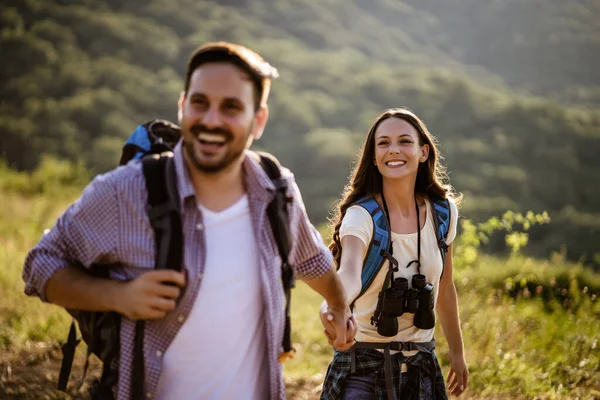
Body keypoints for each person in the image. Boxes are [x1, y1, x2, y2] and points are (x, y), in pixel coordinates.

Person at [22, 41, 356, 400]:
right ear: (183, 106)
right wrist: (118, 297)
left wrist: (338, 306)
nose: (211, 120)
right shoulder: (127, 191)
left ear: (258, 120)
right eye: (200, 103)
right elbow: (40, 265)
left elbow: (309, 259)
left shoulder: (276, 190)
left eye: (231, 107)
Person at [319, 108, 468, 399]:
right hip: (362, 367)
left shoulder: (443, 212)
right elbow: (348, 272)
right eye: (383, 143)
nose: (394, 150)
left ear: (424, 152)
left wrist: (458, 354)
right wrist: (333, 306)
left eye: (404, 141)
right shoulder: (361, 216)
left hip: (422, 365)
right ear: (374, 157)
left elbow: (445, 289)